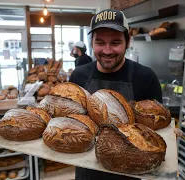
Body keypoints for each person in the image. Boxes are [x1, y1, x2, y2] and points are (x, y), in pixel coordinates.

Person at [69, 9, 163, 180]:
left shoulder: (145, 77)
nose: (107, 50)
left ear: (128, 42)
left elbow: (157, 130)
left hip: (131, 171)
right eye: (100, 42)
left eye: (115, 42)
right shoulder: (78, 75)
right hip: (88, 170)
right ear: (92, 43)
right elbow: (71, 123)